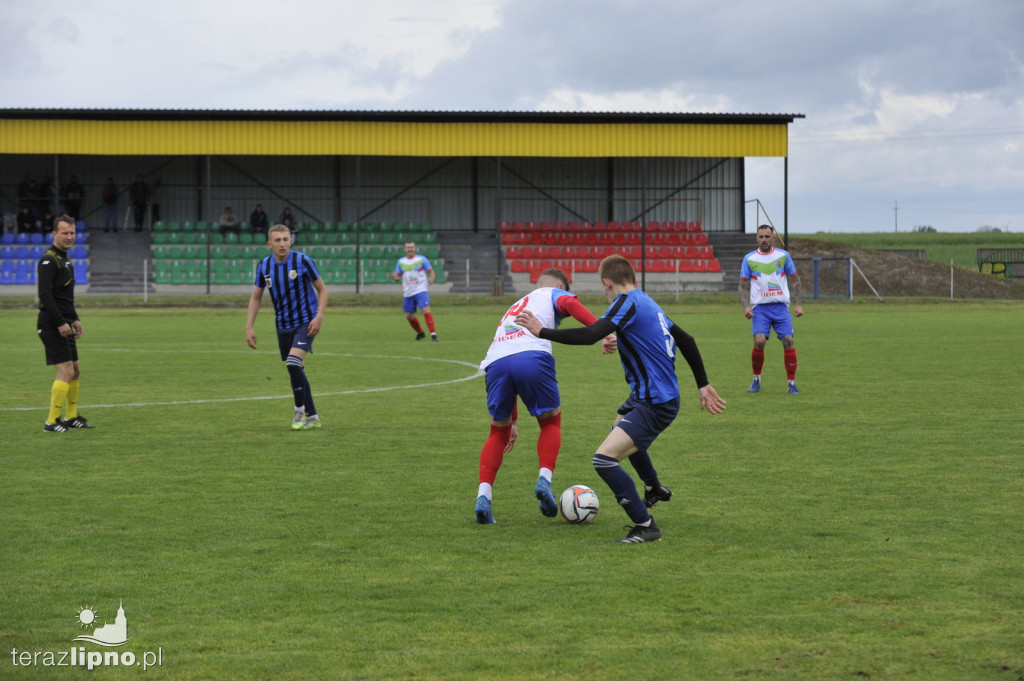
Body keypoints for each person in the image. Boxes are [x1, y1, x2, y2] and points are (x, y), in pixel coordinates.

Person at [515, 254, 726, 543]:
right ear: (634, 279)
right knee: (620, 429)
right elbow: (685, 340)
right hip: (647, 395)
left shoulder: (624, 303)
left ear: (606, 282)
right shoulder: (646, 301)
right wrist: (703, 384)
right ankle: (653, 486)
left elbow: (591, 334)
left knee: (604, 459)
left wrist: (542, 331)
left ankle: (646, 525)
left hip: (655, 401)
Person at [474, 268, 616, 524]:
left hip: (495, 363)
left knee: (497, 433)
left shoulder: (515, 306)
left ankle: (483, 497)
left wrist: (514, 420)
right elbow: (570, 304)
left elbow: (510, 357)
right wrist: (603, 332)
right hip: (533, 357)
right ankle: (544, 480)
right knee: (551, 423)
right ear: (560, 286)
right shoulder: (554, 293)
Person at [246, 224, 328, 430]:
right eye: (277, 240)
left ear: (290, 241)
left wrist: (319, 316)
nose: (282, 244)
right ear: (269, 244)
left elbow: (322, 289)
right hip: (282, 325)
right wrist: (249, 327)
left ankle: (299, 411)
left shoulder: (302, 261)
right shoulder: (264, 266)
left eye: (285, 239)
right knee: (296, 368)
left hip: (305, 322)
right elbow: (256, 297)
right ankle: (314, 416)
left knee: (292, 363)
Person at [37, 215, 94, 432]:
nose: (69, 237)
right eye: (65, 233)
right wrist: (61, 322)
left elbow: (64, 297)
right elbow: (46, 295)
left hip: (64, 322)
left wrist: (75, 318)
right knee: (66, 371)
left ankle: (71, 417)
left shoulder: (65, 259)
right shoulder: (48, 260)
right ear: (54, 234)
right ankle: (51, 422)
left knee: (76, 370)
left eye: (72, 233)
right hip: (51, 324)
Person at [739, 224, 804, 394]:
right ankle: (756, 379)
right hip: (760, 308)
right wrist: (746, 306)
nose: (764, 240)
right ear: (757, 238)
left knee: (788, 341)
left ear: (773, 238)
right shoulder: (749, 258)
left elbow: (795, 280)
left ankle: (791, 383)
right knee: (759, 342)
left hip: (781, 307)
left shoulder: (783, 256)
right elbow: (742, 286)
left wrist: (799, 304)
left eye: (767, 237)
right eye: (761, 237)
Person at [392, 241, 438, 341]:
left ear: (415, 248)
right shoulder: (401, 261)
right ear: (405, 249)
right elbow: (398, 275)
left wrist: (431, 278)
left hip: (421, 289)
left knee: (425, 309)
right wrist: (395, 277)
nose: (410, 249)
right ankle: (420, 333)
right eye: (408, 247)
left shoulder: (421, 259)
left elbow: (431, 271)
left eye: (412, 247)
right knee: (409, 316)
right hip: (408, 291)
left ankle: (433, 335)